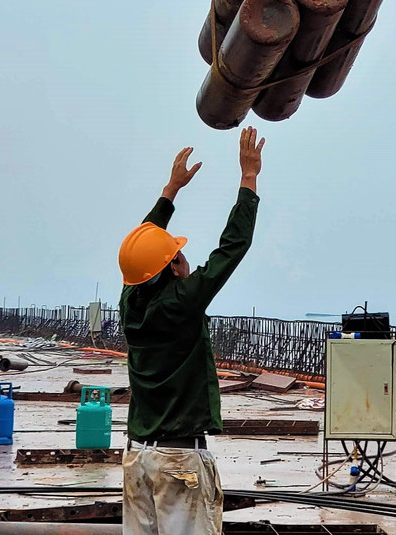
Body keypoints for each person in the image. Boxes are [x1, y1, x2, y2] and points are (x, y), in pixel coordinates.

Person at [118, 127, 264, 535]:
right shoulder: (181, 302)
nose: (184, 259)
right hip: (179, 462)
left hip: (138, 461)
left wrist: (170, 192)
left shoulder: (130, 304)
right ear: (171, 267)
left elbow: (138, 254)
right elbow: (231, 248)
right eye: (178, 255)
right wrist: (248, 180)